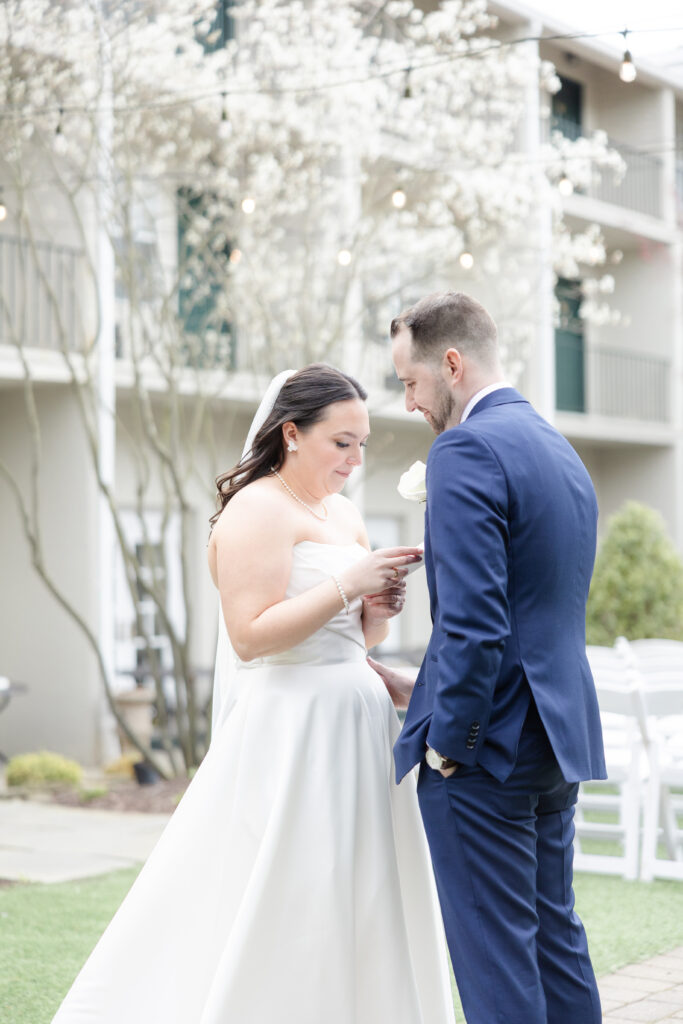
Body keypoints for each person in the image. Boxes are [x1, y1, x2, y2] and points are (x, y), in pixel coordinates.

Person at [52, 363, 456, 1024]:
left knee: (368, 887)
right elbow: (249, 637)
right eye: (340, 442)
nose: (354, 459)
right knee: (300, 887)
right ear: (291, 433)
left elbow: (360, 639)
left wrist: (380, 603)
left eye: (361, 443)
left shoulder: (344, 513)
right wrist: (348, 584)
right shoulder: (256, 509)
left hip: (359, 722)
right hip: (293, 726)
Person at [369, 292, 606, 1024]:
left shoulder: (466, 448)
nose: (408, 402)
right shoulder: (555, 446)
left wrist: (450, 743)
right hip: (553, 739)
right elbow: (538, 608)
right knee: (553, 942)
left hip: (485, 753)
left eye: (409, 382)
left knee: (495, 959)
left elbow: (473, 620)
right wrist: (423, 686)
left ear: (450, 362)